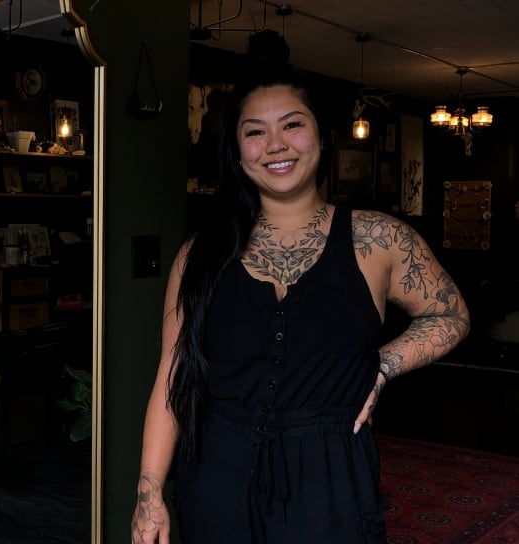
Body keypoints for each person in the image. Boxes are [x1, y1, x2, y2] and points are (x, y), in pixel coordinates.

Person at [130, 61, 470, 544]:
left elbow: (451, 314)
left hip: (330, 479)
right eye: (255, 132)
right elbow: (172, 373)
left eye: (292, 124)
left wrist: (383, 365)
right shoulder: (200, 253)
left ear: (322, 136)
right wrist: (149, 495)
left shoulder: (379, 239)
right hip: (216, 476)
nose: (275, 145)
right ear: (238, 150)